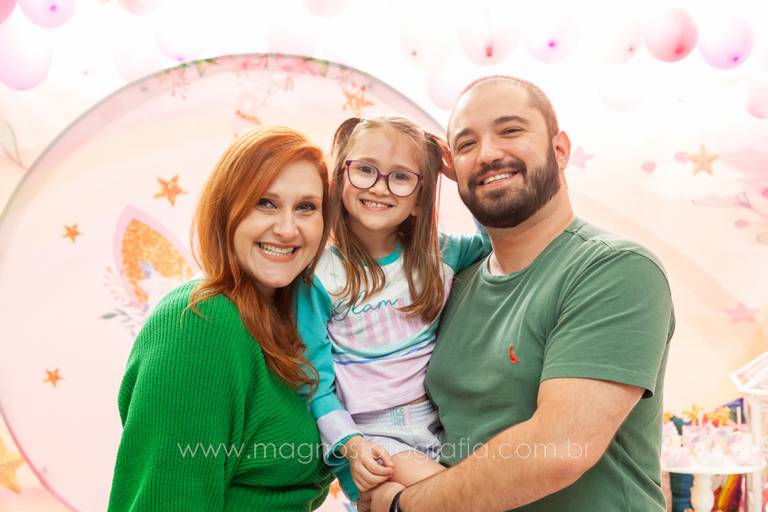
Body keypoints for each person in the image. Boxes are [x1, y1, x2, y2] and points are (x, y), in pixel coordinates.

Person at [364, 76, 675, 511]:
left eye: (510, 130)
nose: (488, 153)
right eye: (467, 144)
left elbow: (559, 449)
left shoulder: (614, 268)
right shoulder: (456, 279)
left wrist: (405, 505)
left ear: (559, 149)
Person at [108, 126, 334, 511]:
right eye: (265, 203)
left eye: (306, 207)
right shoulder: (199, 324)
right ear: (226, 209)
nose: (286, 229)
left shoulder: (297, 322)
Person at [295, 116, 491, 502]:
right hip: (372, 440)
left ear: (420, 198)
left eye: (400, 177)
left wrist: (463, 179)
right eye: (365, 169)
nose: (379, 186)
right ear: (341, 175)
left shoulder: (439, 254)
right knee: (463, 501)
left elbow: (494, 241)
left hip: (439, 427)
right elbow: (313, 379)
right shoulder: (320, 276)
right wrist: (352, 446)